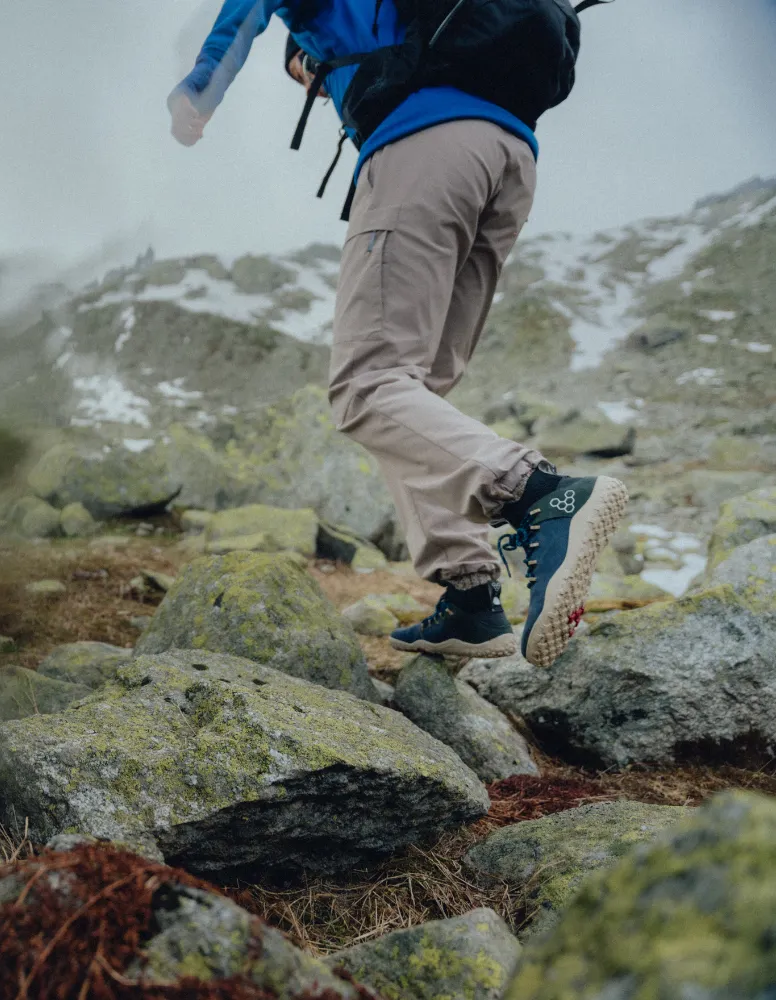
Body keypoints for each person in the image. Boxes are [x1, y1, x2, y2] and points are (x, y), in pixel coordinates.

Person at [169, 0, 628, 669]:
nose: (315, 85)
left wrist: (199, 91)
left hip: (425, 149)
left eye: (310, 74)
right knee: (417, 401)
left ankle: (540, 495)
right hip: (508, 160)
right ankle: (471, 599)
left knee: (367, 387)